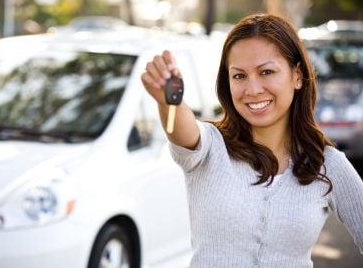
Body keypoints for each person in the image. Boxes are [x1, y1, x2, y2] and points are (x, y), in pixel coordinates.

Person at [141, 13, 363, 267]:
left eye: (266, 72)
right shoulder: (211, 147)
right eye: (239, 76)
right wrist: (169, 101)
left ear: (297, 75)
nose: (253, 89)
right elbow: (184, 133)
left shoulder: (327, 164)